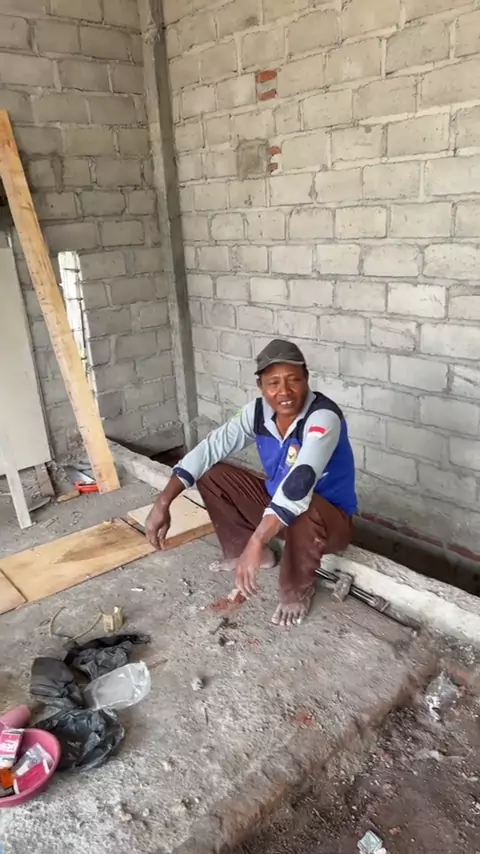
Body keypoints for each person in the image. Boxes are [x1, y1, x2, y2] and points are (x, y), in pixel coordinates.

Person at [146, 339, 357, 628]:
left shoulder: (323, 417)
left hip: (327, 522)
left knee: (305, 503)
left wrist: (257, 539)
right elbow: (210, 449)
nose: (284, 392)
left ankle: (296, 590)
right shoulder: (257, 413)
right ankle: (249, 552)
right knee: (213, 473)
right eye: (273, 383)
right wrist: (163, 501)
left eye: (293, 380)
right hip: (280, 512)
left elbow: (299, 484)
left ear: (306, 378)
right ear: (260, 386)